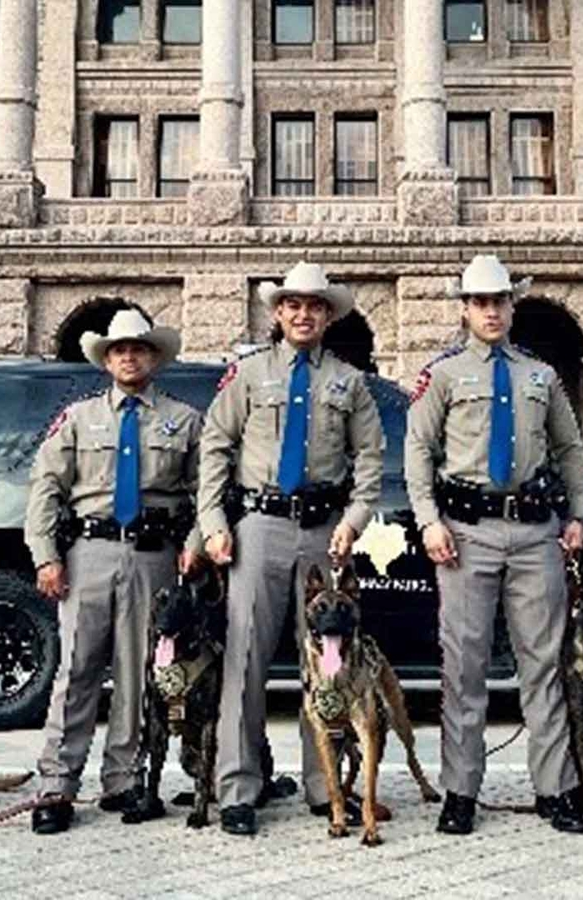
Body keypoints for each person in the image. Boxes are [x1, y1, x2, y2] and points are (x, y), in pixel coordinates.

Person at [403, 255, 583, 836]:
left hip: (535, 532)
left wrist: (578, 513)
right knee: (465, 668)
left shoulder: (540, 376)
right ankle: (461, 791)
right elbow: (418, 451)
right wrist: (428, 521)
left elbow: (569, 449)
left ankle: (555, 789)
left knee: (544, 665)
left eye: (500, 301)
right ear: (464, 309)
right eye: (480, 302)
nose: (491, 311)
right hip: (466, 535)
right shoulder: (443, 375)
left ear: (513, 305)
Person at [197, 261, 385, 837]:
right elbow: (215, 447)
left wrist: (354, 520)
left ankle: (323, 786)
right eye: (293, 305)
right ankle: (238, 789)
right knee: (245, 658)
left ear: (329, 315)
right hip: (260, 526)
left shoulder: (350, 382)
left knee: (328, 666)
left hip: (325, 531)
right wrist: (212, 522)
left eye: (315, 306)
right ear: (278, 313)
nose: (303, 314)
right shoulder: (248, 375)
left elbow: (372, 460)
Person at [24, 309, 204, 835]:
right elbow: (45, 489)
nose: (129, 355)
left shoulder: (183, 419)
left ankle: (123, 779)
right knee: (76, 672)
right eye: (119, 349)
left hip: (155, 557)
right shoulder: (77, 419)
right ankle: (56, 785)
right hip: (89, 554)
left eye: (139, 348)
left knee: (140, 673)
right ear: (106, 359)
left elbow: (205, 491)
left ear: (154, 357)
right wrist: (45, 555)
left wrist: (193, 543)